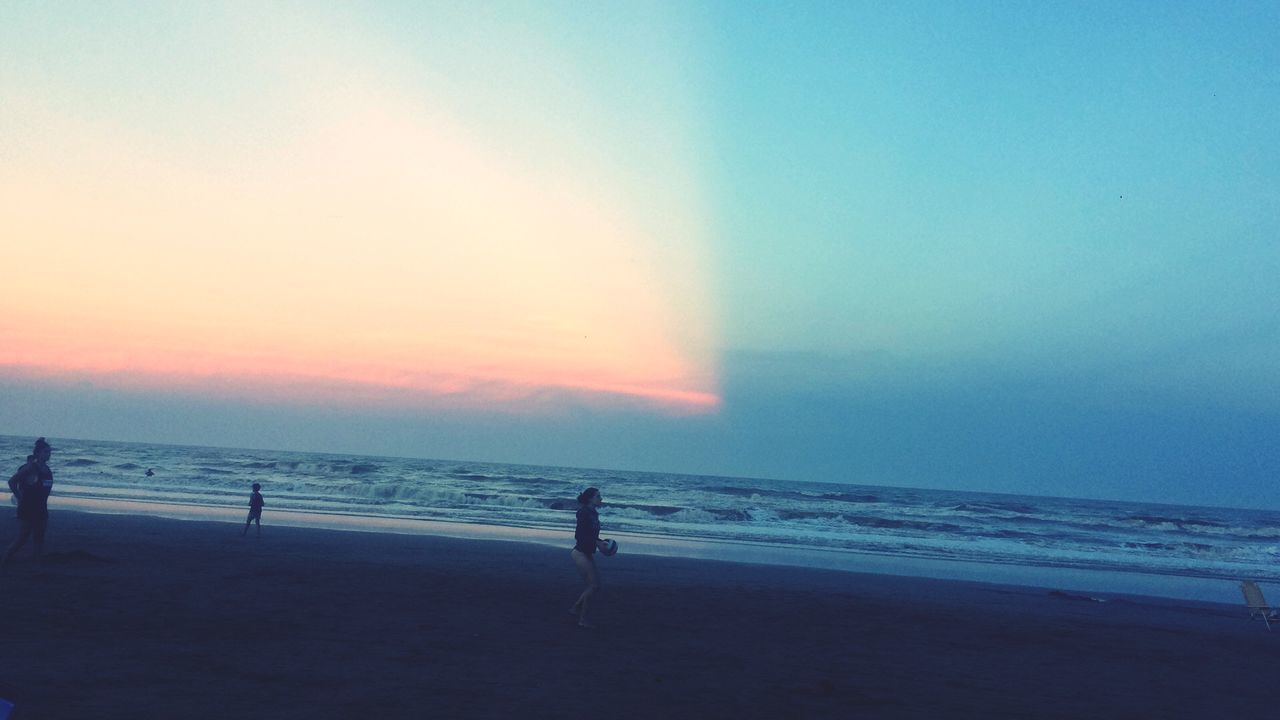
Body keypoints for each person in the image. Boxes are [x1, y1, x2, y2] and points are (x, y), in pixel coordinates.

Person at [2, 437, 55, 569]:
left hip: (41, 508)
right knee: (23, 537)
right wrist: (19, 497)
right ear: (37, 453)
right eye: (45, 452)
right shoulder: (30, 468)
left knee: (39, 537)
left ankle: (37, 563)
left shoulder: (47, 470)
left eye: (49, 452)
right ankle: (5, 558)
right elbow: (12, 481)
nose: (48, 454)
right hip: (28, 507)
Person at [569, 486, 611, 628]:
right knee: (594, 586)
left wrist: (600, 542)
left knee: (595, 586)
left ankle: (575, 608)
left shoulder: (594, 513)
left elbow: (592, 534)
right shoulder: (583, 513)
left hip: (587, 552)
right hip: (579, 552)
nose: (601, 498)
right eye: (598, 496)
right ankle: (582, 619)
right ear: (590, 498)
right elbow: (579, 536)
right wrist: (598, 544)